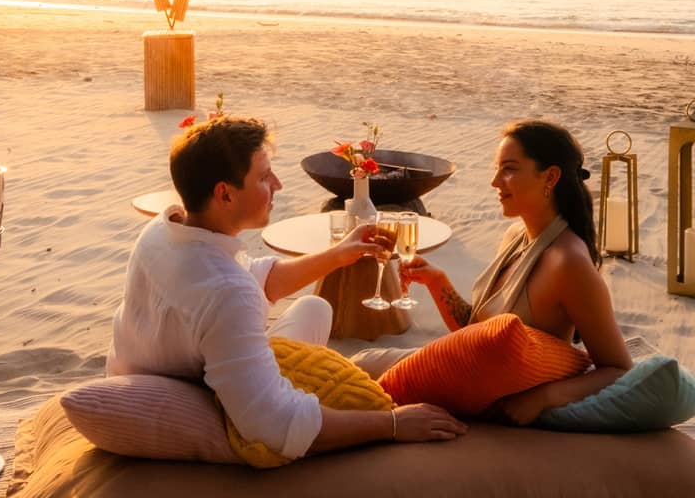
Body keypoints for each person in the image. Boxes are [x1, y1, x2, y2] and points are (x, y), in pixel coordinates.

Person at [110, 116, 465, 461]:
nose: (278, 185)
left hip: (148, 359)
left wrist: (339, 254)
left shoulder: (165, 228)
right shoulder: (226, 293)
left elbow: (256, 279)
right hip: (191, 396)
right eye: (264, 177)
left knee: (315, 308)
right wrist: (392, 424)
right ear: (225, 194)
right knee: (303, 347)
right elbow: (276, 426)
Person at [399, 120, 632, 425]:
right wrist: (436, 281)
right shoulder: (515, 235)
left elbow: (618, 370)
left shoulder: (568, 263)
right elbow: (477, 331)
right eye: (496, 169)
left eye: (509, 169)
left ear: (550, 177)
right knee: (357, 369)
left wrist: (543, 398)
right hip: (466, 384)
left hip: (494, 413)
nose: (495, 181)